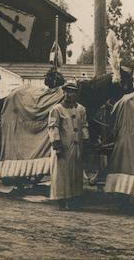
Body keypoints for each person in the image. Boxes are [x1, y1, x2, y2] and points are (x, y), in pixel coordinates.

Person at [47, 82, 89, 210]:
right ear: (63, 93)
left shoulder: (81, 109)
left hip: (76, 147)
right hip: (63, 146)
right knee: (62, 173)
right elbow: (53, 127)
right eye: (67, 92)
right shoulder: (57, 109)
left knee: (75, 172)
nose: (70, 94)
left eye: (73, 92)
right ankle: (61, 200)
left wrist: (86, 140)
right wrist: (57, 144)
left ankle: (73, 199)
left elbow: (84, 125)